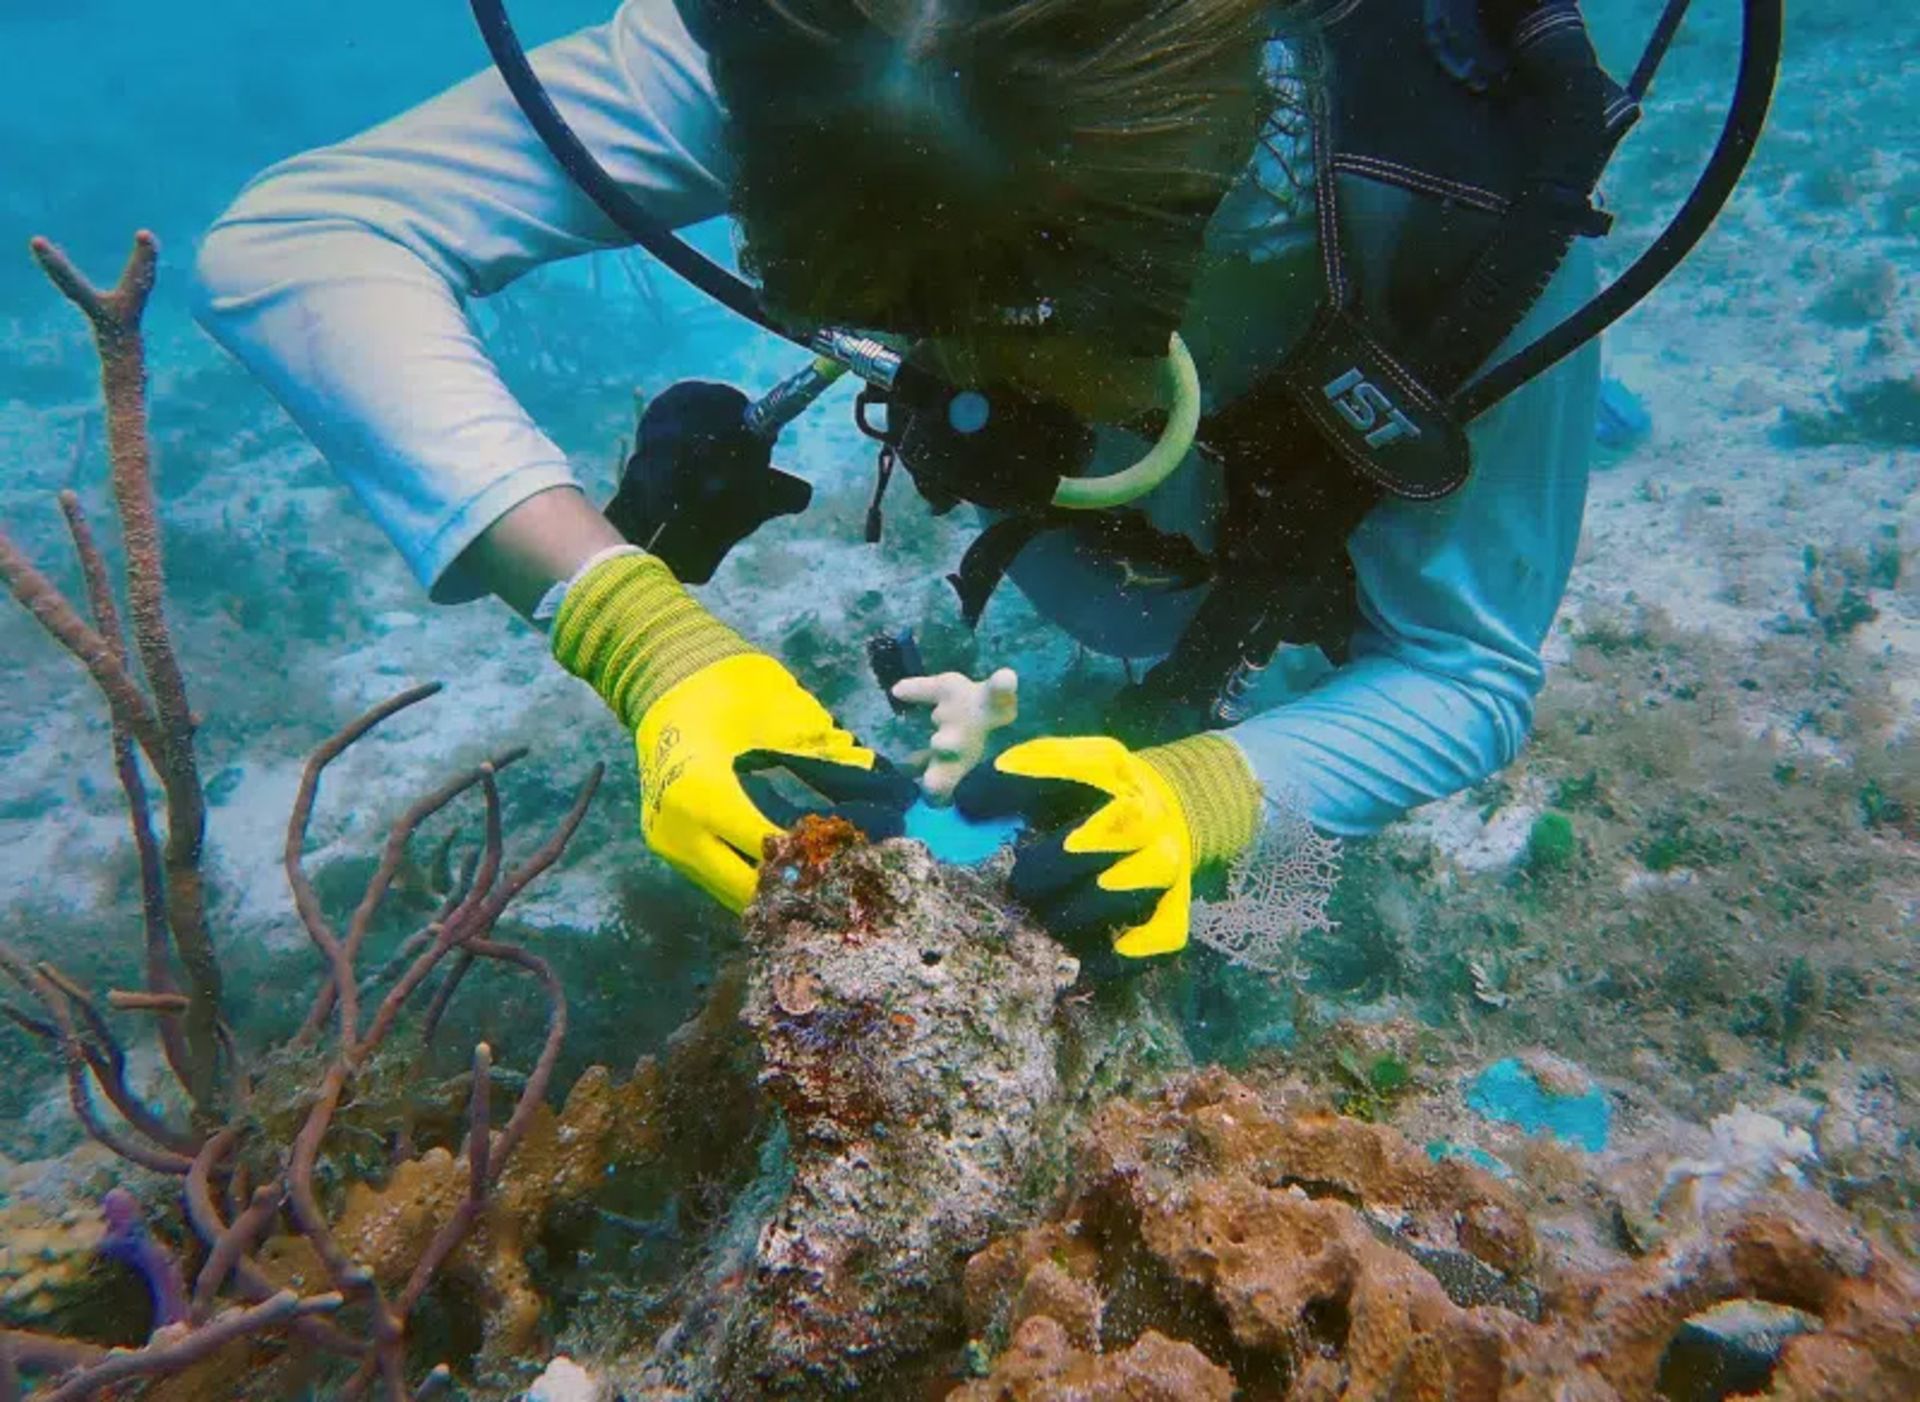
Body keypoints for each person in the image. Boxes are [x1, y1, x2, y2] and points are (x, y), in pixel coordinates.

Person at [193, 0, 1602, 968]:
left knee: (1348, 516)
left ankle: (1507, 424)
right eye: (904, 317)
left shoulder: (1460, 206)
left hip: (1345, 371)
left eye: (1026, 332)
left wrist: (1216, 792)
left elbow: (1467, 668)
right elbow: (298, 244)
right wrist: (634, 630)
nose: (971, 373)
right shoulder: (794, 43)